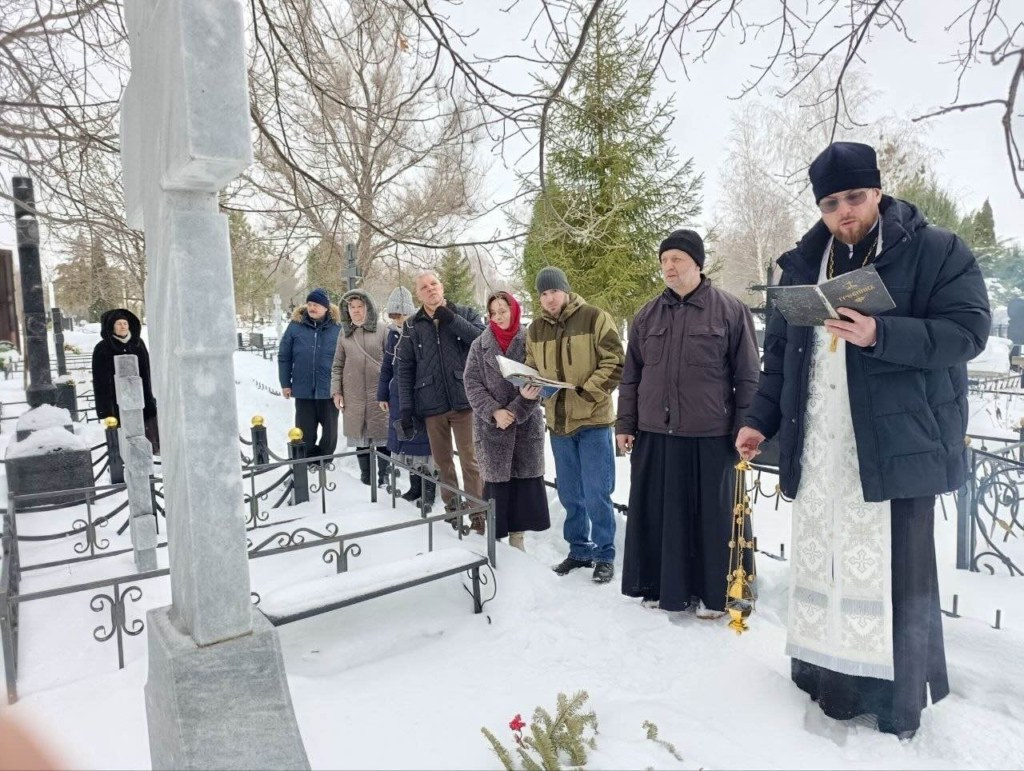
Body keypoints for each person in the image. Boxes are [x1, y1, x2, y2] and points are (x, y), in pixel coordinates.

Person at [735, 141, 991, 740]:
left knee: (894, 574)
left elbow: (968, 331)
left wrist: (881, 334)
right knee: (824, 566)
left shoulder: (934, 249)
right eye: (830, 203)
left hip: (897, 445)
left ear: (877, 190)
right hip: (825, 449)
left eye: (854, 196)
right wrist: (759, 420)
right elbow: (779, 361)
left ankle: (896, 702)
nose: (843, 211)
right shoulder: (803, 264)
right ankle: (828, 681)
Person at [617, 229, 760, 615]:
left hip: (710, 434)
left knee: (713, 520)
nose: (668, 267)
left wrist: (745, 428)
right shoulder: (646, 316)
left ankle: (718, 594)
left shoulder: (730, 311)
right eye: (664, 261)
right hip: (655, 433)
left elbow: (747, 376)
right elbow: (631, 375)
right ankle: (660, 587)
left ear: (697, 263)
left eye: (677, 259)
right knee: (659, 515)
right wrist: (625, 423)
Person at [522, 266, 624, 583]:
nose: (549, 298)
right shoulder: (535, 330)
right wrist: (529, 385)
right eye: (543, 293)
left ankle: (604, 555)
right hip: (559, 423)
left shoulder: (594, 317)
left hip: (593, 421)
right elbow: (530, 367)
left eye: (553, 291)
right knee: (569, 494)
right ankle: (579, 550)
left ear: (565, 290)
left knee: (597, 493)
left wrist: (587, 392)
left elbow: (615, 360)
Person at [397, 271, 486, 532]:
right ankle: (453, 512)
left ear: (442, 286)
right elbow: (405, 367)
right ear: (418, 294)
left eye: (433, 284)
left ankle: (478, 514)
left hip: (463, 400)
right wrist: (406, 408)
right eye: (424, 287)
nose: (430, 289)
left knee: (470, 461)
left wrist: (452, 320)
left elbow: (481, 341)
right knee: (443, 462)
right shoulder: (412, 325)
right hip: (431, 404)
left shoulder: (465, 313)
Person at [464, 290, 551, 550]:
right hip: (492, 429)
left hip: (524, 427)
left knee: (522, 489)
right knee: (497, 489)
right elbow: (471, 383)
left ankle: (518, 540)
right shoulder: (479, 345)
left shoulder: (530, 341)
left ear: (514, 309)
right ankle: (497, 542)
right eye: (494, 312)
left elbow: (539, 381)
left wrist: (514, 411)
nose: (499, 316)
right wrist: (494, 411)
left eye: (504, 310)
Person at [377, 286, 436, 511]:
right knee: (407, 445)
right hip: (398, 397)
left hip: (420, 396)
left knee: (424, 448)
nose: (397, 320)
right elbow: (387, 366)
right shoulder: (393, 335)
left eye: (401, 315)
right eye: (393, 316)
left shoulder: (421, 330)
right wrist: (382, 393)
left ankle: (428, 489)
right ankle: (414, 486)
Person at [331, 289, 389, 485]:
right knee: (361, 439)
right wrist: (337, 392)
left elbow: (392, 362)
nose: (356, 311)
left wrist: (389, 391)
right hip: (353, 395)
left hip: (379, 395)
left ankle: (383, 476)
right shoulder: (344, 333)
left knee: (382, 438)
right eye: (351, 307)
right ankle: (366, 477)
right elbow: (337, 364)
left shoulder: (382, 330)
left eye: (360, 306)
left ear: (368, 307)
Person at [278, 288, 341, 459]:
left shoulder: (338, 328)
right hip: (303, 389)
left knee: (330, 432)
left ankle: (325, 460)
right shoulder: (295, 326)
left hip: (329, 389)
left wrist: (341, 387)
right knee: (304, 430)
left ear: (326, 308)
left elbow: (345, 359)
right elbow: (284, 356)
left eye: (316, 305)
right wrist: (285, 383)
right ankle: (307, 460)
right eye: (310, 304)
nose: (312, 308)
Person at [92, 308, 159, 453]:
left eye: (125, 323)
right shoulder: (102, 348)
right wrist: (105, 410)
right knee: (122, 445)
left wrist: (149, 401)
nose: (123, 326)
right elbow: (99, 382)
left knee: (144, 443)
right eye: (119, 324)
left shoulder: (138, 344)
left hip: (140, 400)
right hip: (115, 404)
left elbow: (147, 373)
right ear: (111, 327)